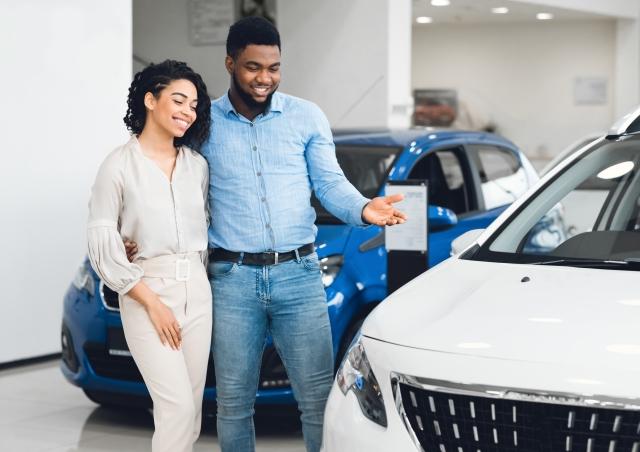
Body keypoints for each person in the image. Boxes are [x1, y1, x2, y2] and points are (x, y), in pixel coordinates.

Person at [204, 17, 406, 452]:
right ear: (229, 63)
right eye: (253, 67)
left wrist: (364, 208)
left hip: (298, 274)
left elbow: (329, 183)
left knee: (317, 400)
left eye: (274, 67)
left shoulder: (306, 116)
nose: (265, 78)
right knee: (234, 403)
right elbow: (180, 190)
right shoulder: (204, 124)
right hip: (232, 279)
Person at [87, 60, 212, 452]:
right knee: (174, 406)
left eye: (193, 105)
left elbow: (201, 229)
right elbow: (101, 240)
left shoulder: (198, 166)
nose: (187, 112)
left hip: (197, 288)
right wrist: (152, 302)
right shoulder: (117, 166)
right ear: (150, 100)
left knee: (190, 411)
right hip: (147, 292)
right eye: (178, 100)